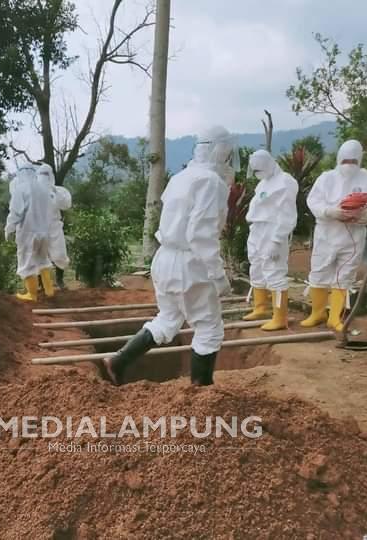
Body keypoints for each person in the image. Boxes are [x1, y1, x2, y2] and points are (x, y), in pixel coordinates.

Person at [103, 126, 237, 386]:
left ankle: (118, 361)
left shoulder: (182, 176)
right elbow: (201, 235)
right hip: (190, 262)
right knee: (209, 328)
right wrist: (218, 276)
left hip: (164, 258)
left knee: (168, 319)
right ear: (220, 150)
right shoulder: (211, 182)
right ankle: (201, 394)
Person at [302, 140, 367, 331]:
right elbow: (313, 200)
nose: (349, 165)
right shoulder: (327, 178)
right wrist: (330, 211)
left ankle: (335, 317)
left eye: (353, 161)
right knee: (319, 271)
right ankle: (317, 313)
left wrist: (363, 213)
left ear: (359, 160)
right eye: (345, 160)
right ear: (338, 158)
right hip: (327, 233)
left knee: (345, 275)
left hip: (354, 234)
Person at [243, 150, 299, 331]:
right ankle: (261, 308)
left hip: (273, 230)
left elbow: (287, 214)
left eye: (259, 169)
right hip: (257, 229)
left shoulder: (285, 182)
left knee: (274, 271)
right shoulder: (263, 183)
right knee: (256, 267)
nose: (257, 173)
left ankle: (280, 316)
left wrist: (277, 240)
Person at [5, 164, 55, 301]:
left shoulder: (21, 188)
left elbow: (15, 212)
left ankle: (32, 294)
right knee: (43, 259)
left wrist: (9, 228)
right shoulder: (44, 189)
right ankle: (49, 291)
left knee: (26, 262)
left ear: (21, 174)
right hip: (44, 232)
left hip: (28, 233)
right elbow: (50, 212)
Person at [37, 163, 72, 289]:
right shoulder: (32, 190)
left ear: (51, 175)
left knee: (60, 254)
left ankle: (59, 281)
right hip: (38, 228)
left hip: (54, 226)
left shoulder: (59, 190)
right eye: (42, 174)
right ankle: (41, 284)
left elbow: (66, 205)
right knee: (40, 256)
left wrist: (55, 192)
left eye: (46, 174)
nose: (44, 177)